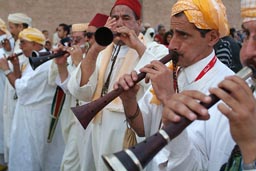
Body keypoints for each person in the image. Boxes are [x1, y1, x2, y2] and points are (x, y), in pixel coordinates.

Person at [115, 0, 236, 170]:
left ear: (212, 37)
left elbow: (205, 165)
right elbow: (143, 129)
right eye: (173, 33)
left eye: (183, 35)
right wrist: (129, 100)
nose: (172, 44)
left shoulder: (229, 92)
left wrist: (169, 98)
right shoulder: (170, 72)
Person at [67, 0, 169, 170]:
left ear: (138, 23)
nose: (119, 23)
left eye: (126, 18)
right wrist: (95, 48)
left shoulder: (154, 49)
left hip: (129, 131)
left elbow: (160, 76)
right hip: (98, 128)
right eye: (114, 18)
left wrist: (136, 45)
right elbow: (81, 91)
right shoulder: (101, 51)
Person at [0, 27, 65, 171]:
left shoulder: (44, 63)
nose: (20, 46)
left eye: (23, 43)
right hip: (28, 114)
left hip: (35, 117)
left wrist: (6, 69)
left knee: (30, 154)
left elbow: (21, 87)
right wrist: (16, 65)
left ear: (35, 44)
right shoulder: (35, 60)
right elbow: (21, 80)